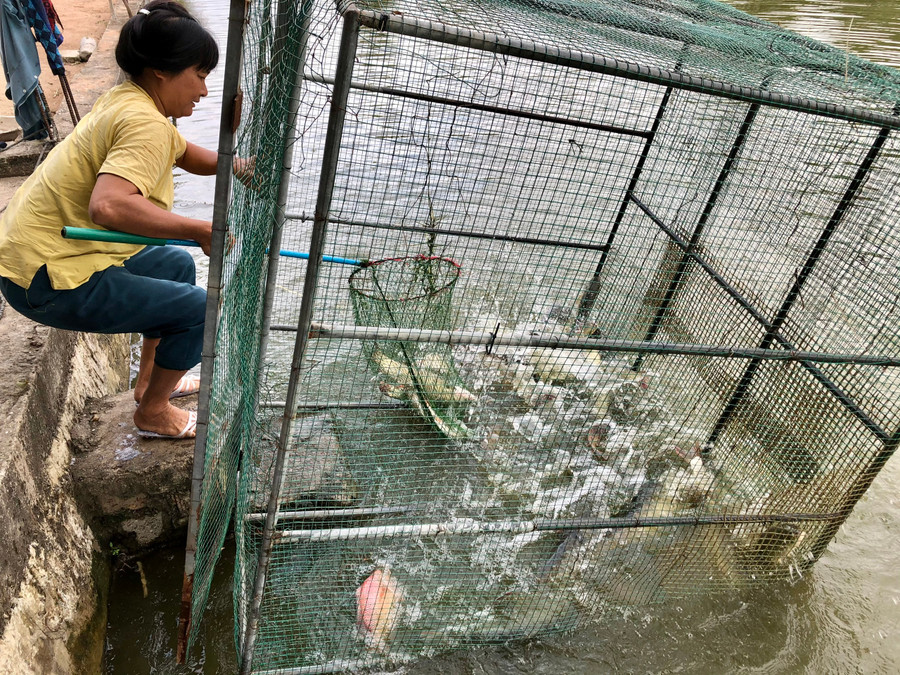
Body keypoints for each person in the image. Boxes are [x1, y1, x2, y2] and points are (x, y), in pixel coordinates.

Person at [0, 1, 244, 439]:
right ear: (161, 71)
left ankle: (148, 383)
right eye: (201, 76)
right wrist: (199, 229)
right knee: (201, 310)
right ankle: (152, 412)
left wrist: (239, 165)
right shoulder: (143, 123)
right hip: (45, 275)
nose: (205, 91)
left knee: (177, 265)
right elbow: (108, 207)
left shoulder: (131, 99)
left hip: (36, 253)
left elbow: (185, 153)